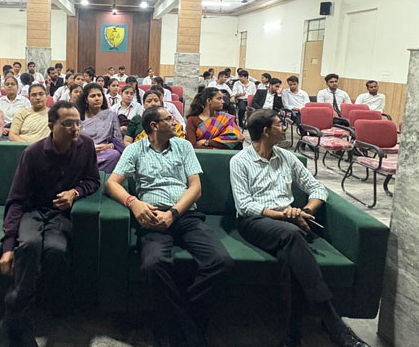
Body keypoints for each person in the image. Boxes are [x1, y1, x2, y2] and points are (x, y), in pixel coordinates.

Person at [230, 110, 370, 347]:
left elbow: (317, 188)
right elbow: (244, 205)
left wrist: (305, 210)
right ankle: (333, 323)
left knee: (290, 256)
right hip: (256, 221)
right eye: (279, 124)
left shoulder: (287, 157)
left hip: (290, 223)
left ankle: (292, 335)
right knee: (293, 234)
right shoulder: (239, 161)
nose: (285, 128)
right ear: (265, 131)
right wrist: (283, 215)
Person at [105, 106, 234, 347]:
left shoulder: (183, 146)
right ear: (154, 126)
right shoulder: (135, 150)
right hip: (153, 217)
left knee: (221, 261)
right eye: (169, 118)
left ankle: (174, 322)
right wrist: (133, 203)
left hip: (185, 215)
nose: (175, 121)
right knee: (153, 264)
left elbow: (195, 188)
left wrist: (173, 213)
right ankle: (190, 332)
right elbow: (112, 183)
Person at [0, 101, 101, 347]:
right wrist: (8, 246)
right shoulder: (33, 153)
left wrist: (74, 192)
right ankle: (18, 322)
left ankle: (18, 318)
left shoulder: (86, 146)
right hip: (33, 211)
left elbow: (93, 180)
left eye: (78, 123)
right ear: (51, 125)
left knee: (56, 250)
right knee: (29, 245)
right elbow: (16, 200)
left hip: (61, 215)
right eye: (68, 124)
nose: (75, 129)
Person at [77, 82, 124, 173]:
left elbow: (118, 141)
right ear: (86, 99)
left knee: (115, 155)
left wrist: (109, 146)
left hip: (104, 152)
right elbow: (73, 140)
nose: (97, 98)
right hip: (84, 151)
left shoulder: (110, 115)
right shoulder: (78, 116)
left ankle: (98, 177)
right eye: (93, 96)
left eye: (99, 95)